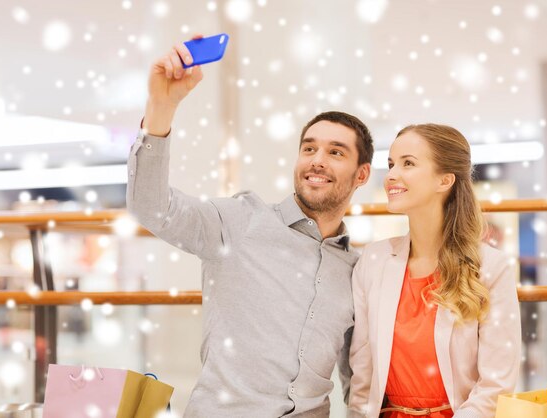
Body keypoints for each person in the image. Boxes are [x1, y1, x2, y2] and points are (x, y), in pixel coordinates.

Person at [126, 34, 374, 417]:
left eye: (335, 152)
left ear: (362, 175)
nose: (316, 160)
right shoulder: (239, 221)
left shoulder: (358, 270)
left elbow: (357, 377)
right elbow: (151, 207)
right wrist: (162, 106)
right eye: (308, 148)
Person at [347, 124, 521, 418]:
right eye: (390, 164)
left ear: (445, 180)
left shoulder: (491, 267)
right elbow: (362, 375)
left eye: (408, 163)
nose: (391, 175)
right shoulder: (373, 260)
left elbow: (496, 384)